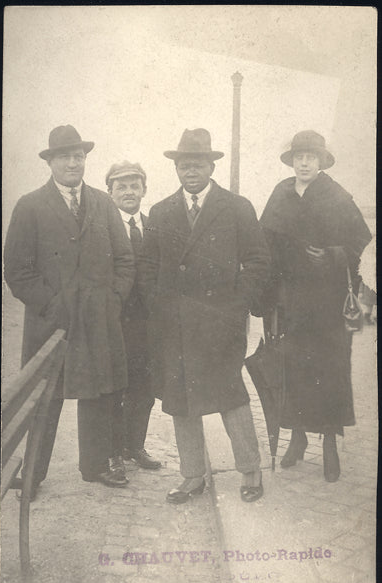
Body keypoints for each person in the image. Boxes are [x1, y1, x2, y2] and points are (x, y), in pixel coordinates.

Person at [138, 128, 271, 503]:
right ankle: (193, 475)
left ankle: (250, 469)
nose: (190, 170)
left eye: (197, 164)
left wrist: (236, 304)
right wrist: (159, 304)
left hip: (220, 320)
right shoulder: (161, 211)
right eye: (184, 164)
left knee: (231, 395)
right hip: (176, 324)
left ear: (211, 166)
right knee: (182, 401)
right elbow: (148, 265)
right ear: (176, 168)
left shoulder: (236, 207)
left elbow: (258, 260)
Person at [4, 125, 136, 497]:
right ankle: (32, 475)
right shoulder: (29, 206)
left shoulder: (103, 203)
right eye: (65, 156)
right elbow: (16, 270)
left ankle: (94, 467)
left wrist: (112, 299)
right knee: (45, 400)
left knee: (98, 394)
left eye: (79, 156)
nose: (73, 163)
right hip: (50, 325)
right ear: (51, 162)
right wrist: (51, 304)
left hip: (98, 321)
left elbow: (125, 261)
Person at [260, 130, 372, 482]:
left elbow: (361, 247)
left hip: (327, 305)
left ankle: (329, 444)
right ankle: (296, 439)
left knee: (329, 372)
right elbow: (264, 244)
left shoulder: (337, 196)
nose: (304, 162)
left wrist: (333, 255)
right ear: (292, 161)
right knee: (291, 371)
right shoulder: (280, 193)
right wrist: (268, 299)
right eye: (299, 156)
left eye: (311, 156)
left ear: (322, 161)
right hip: (290, 301)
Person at [105, 160, 161, 470]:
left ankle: (135, 447)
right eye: (121, 186)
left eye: (134, 185)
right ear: (109, 191)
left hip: (147, 325)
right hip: (114, 323)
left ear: (144, 189)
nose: (129, 191)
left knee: (144, 389)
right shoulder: (100, 226)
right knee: (114, 390)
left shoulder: (154, 225)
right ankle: (112, 452)